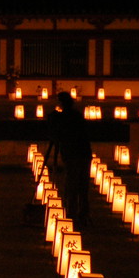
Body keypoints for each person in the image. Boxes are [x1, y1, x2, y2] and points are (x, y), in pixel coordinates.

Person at [44, 91, 93, 230]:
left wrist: (52, 119)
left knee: (72, 185)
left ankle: (72, 215)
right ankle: (83, 214)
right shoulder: (76, 115)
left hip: (73, 154)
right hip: (84, 153)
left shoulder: (62, 118)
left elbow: (54, 134)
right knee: (83, 186)